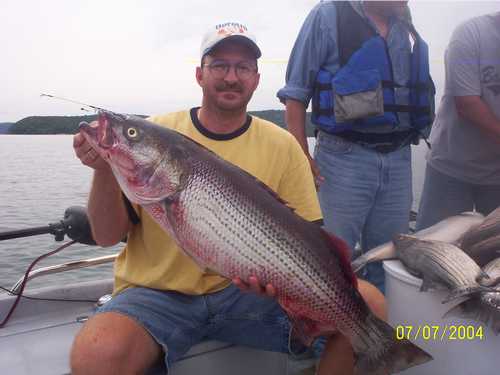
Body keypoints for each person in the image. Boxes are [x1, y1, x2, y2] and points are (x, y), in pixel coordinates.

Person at [69, 22, 386, 375]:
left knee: (369, 305)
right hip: (157, 294)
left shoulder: (283, 145)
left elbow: (312, 238)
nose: (231, 77)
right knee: (96, 353)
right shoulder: (161, 130)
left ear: (255, 78)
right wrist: (102, 168)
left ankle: (382, 352)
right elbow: (106, 237)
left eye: (243, 67)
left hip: (248, 296)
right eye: (219, 65)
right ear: (199, 75)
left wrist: (280, 279)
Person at [277, 1, 434, 293]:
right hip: (342, 158)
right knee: (330, 259)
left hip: (399, 158)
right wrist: (302, 156)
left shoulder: (404, 22)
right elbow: (296, 94)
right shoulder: (326, 15)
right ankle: (326, 336)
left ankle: (379, 330)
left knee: (390, 259)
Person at [416, 12, 500, 230]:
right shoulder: (471, 34)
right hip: (452, 168)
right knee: (431, 249)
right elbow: (467, 104)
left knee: (494, 255)